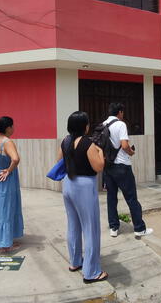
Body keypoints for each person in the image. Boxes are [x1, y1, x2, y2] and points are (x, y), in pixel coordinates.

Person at [58, 111, 108, 284]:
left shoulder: (65, 141)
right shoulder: (88, 143)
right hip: (84, 186)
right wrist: (100, 152)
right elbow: (99, 167)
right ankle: (92, 271)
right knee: (91, 228)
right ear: (85, 126)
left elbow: (60, 161)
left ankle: (75, 262)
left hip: (68, 184)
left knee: (73, 224)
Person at [103, 103, 153, 238]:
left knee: (111, 198)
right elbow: (124, 145)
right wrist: (131, 152)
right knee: (131, 198)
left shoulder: (103, 124)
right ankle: (139, 228)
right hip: (122, 166)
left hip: (107, 167)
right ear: (119, 112)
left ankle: (113, 227)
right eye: (122, 112)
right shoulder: (121, 124)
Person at [0, 116, 24, 253]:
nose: (14, 129)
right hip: (4, 180)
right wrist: (8, 170)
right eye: (12, 126)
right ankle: (5, 244)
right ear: (8, 128)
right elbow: (15, 159)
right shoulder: (7, 142)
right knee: (5, 209)